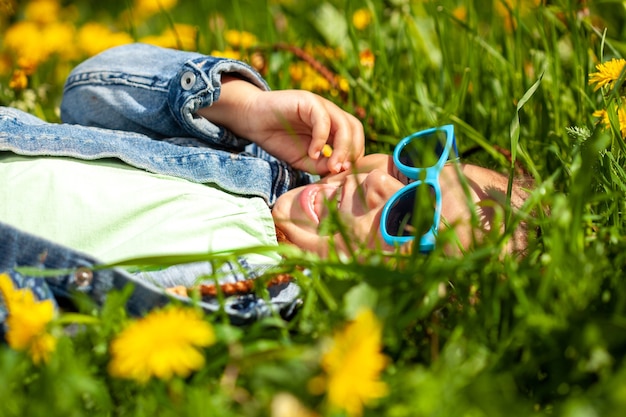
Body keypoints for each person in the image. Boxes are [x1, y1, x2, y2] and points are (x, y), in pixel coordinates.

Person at [0, 43, 529, 326]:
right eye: (413, 163)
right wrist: (239, 106)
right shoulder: (244, 161)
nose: (376, 189)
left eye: (411, 215)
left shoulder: (258, 302)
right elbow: (86, 90)